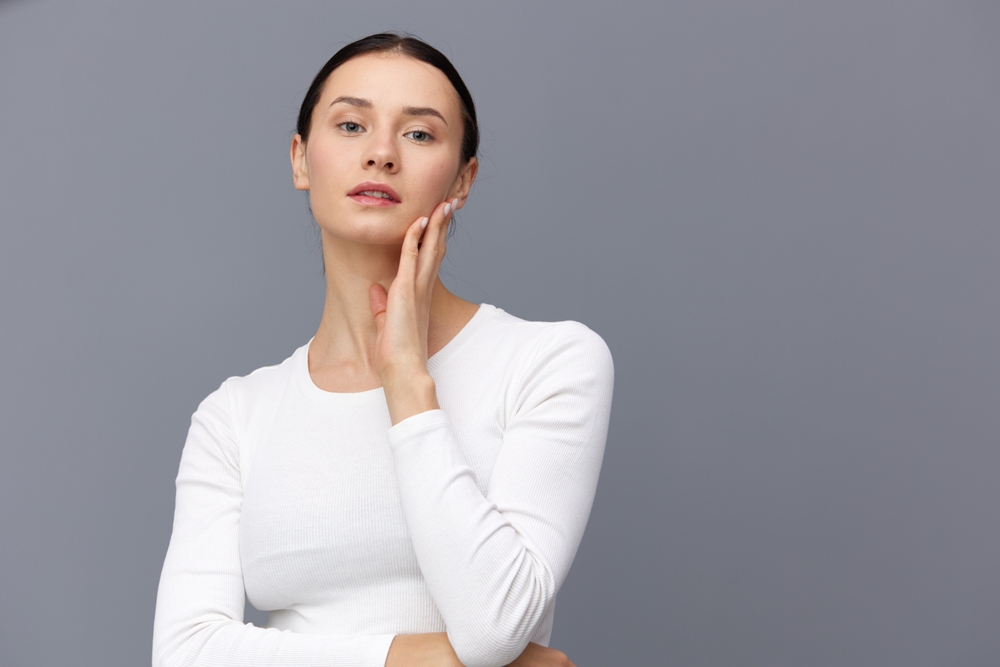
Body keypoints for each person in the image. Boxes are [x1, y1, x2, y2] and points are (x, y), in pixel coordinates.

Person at [152, 33, 613, 667]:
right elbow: (184, 652)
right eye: (350, 125)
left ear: (464, 177)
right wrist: (428, 661)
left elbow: (495, 629)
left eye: (419, 134)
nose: (380, 154)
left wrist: (406, 380)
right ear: (301, 160)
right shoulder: (235, 416)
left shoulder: (548, 363)